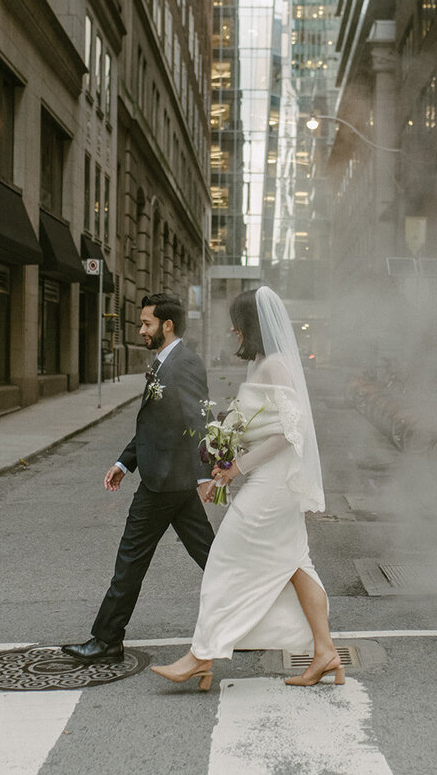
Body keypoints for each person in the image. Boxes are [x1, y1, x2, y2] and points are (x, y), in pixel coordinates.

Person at [150, 287, 338, 691]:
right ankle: (325, 652)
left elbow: (291, 431)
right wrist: (226, 442)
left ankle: (201, 656)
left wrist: (236, 467)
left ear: (250, 324)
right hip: (269, 478)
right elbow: (261, 423)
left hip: (273, 483)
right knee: (296, 565)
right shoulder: (261, 364)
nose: (232, 329)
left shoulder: (275, 366)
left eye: (237, 321)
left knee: (223, 559)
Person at [62, 293, 215, 664]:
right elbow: (155, 425)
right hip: (170, 481)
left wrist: (204, 475)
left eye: (146, 324)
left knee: (130, 561)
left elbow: (198, 422)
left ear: (167, 325)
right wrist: (124, 462)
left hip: (165, 483)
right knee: (215, 558)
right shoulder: (165, 364)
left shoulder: (185, 365)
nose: (140, 330)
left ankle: (106, 640)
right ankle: (259, 616)